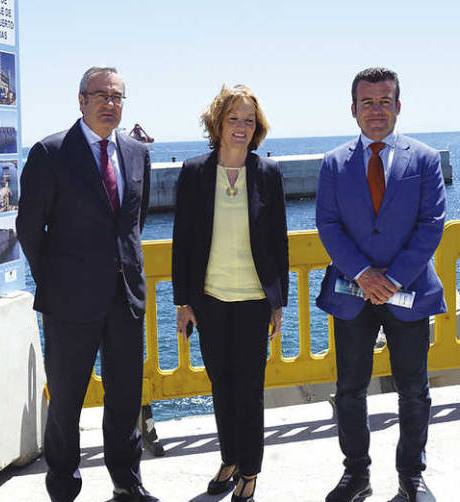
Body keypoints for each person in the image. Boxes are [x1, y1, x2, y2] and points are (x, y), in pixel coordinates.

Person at [16, 67, 158, 502]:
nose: (109, 103)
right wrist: (56, 281)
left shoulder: (136, 153)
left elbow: (134, 221)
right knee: (66, 401)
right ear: (81, 100)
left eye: (117, 97)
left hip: (125, 299)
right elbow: (28, 228)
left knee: (124, 398)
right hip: (69, 303)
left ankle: (127, 483)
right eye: (100, 95)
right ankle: (63, 486)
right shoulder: (51, 152)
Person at [315, 67, 446, 502]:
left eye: (384, 101)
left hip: (408, 293)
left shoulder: (424, 159)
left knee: (414, 391)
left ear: (398, 106)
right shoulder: (334, 163)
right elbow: (328, 226)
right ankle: (357, 475)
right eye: (367, 102)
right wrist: (363, 275)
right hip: (352, 294)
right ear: (353, 110)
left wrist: (389, 279)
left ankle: (412, 476)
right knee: (349, 390)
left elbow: (431, 225)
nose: (376, 110)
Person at [172, 84, 289, 502]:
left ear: (257, 128)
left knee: (249, 390)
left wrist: (278, 302)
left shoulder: (269, 173)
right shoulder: (194, 172)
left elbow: (279, 241)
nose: (241, 127)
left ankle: (250, 472)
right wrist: (183, 301)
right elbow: (182, 241)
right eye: (233, 119)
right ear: (217, 124)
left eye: (249, 121)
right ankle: (230, 458)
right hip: (209, 300)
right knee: (221, 386)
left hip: (255, 301)